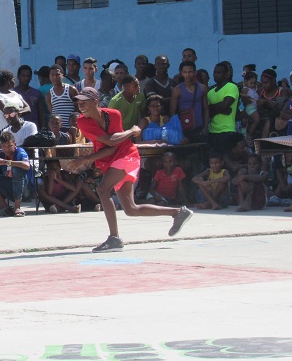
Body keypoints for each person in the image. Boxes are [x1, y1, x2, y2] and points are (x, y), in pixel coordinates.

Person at [68, 87, 192, 253]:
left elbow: (113, 143)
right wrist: (131, 132)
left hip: (128, 156)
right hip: (114, 160)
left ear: (95, 102)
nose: (81, 106)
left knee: (102, 189)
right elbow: (110, 145)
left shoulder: (114, 114)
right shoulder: (83, 121)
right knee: (131, 209)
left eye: (84, 102)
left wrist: (129, 133)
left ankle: (114, 238)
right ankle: (178, 212)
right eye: (79, 103)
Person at [170, 61, 209, 143]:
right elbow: (172, 112)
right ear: (181, 73)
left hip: (199, 127)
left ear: (195, 73)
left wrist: (205, 127)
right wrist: (178, 131)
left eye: (190, 72)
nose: (187, 75)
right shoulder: (177, 90)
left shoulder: (202, 88)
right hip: (184, 128)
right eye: (185, 72)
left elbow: (206, 109)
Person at [207, 62, 239, 154]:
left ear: (226, 74)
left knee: (227, 157)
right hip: (212, 132)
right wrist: (221, 109)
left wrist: (214, 108)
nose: (216, 75)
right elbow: (208, 112)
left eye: (219, 72)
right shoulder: (210, 92)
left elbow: (225, 105)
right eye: (215, 72)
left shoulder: (232, 87)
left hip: (227, 130)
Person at [0, 70, 30, 144]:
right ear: (8, 81)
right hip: (2, 131)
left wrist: (16, 113)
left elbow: (28, 108)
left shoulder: (15, 94)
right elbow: (7, 111)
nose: (14, 81)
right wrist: (17, 113)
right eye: (13, 79)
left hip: (18, 130)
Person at [46, 64, 79, 129]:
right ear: (49, 77)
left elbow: (78, 108)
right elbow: (52, 113)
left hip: (71, 128)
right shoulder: (49, 95)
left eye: (57, 74)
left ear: (62, 75)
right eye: (52, 75)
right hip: (57, 130)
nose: (55, 77)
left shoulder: (71, 89)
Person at [14, 64, 45, 129]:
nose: (26, 78)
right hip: (17, 129)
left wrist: (43, 127)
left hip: (34, 129)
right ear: (18, 77)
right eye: (23, 76)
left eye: (28, 76)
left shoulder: (36, 93)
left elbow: (41, 111)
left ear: (31, 77)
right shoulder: (12, 93)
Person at [240, 71, 260, 145]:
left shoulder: (254, 89)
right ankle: (249, 134)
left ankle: (247, 134)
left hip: (254, 107)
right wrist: (246, 97)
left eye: (254, 83)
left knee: (249, 122)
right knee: (257, 119)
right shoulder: (246, 89)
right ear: (245, 81)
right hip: (250, 107)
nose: (253, 85)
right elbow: (242, 94)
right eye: (251, 83)